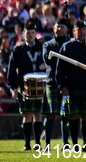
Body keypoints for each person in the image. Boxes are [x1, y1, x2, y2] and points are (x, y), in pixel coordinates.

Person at [56, 21, 86, 148]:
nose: (82, 32)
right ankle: (75, 143)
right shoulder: (67, 47)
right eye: (79, 29)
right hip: (71, 88)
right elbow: (59, 69)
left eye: (84, 29)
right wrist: (62, 86)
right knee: (73, 117)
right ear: (74, 31)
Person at [7, 20, 44, 151]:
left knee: (38, 114)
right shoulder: (18, 50)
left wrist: (46, 66)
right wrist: (13, 88)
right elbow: (11, 71)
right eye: (28, 33)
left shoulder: (42, 47)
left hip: (40, 87)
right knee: (27, 115)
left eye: (32, 33)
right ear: (23, 34)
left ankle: (38, 142)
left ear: (35, 34)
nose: (30, 35)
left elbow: (51, 64)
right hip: (25, 88)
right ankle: (27, 144)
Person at [42, 18, 70, 146]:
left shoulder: (70, 44)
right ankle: (47, 144)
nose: (59, 29)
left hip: (66, 84)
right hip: (52, 83)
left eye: (62, 27)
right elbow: (49, 61)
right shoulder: (47, 45)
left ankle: (66, 144)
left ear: (67, 29)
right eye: (57, 26)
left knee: (66, 115)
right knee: (51, 115)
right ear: (53, 28)